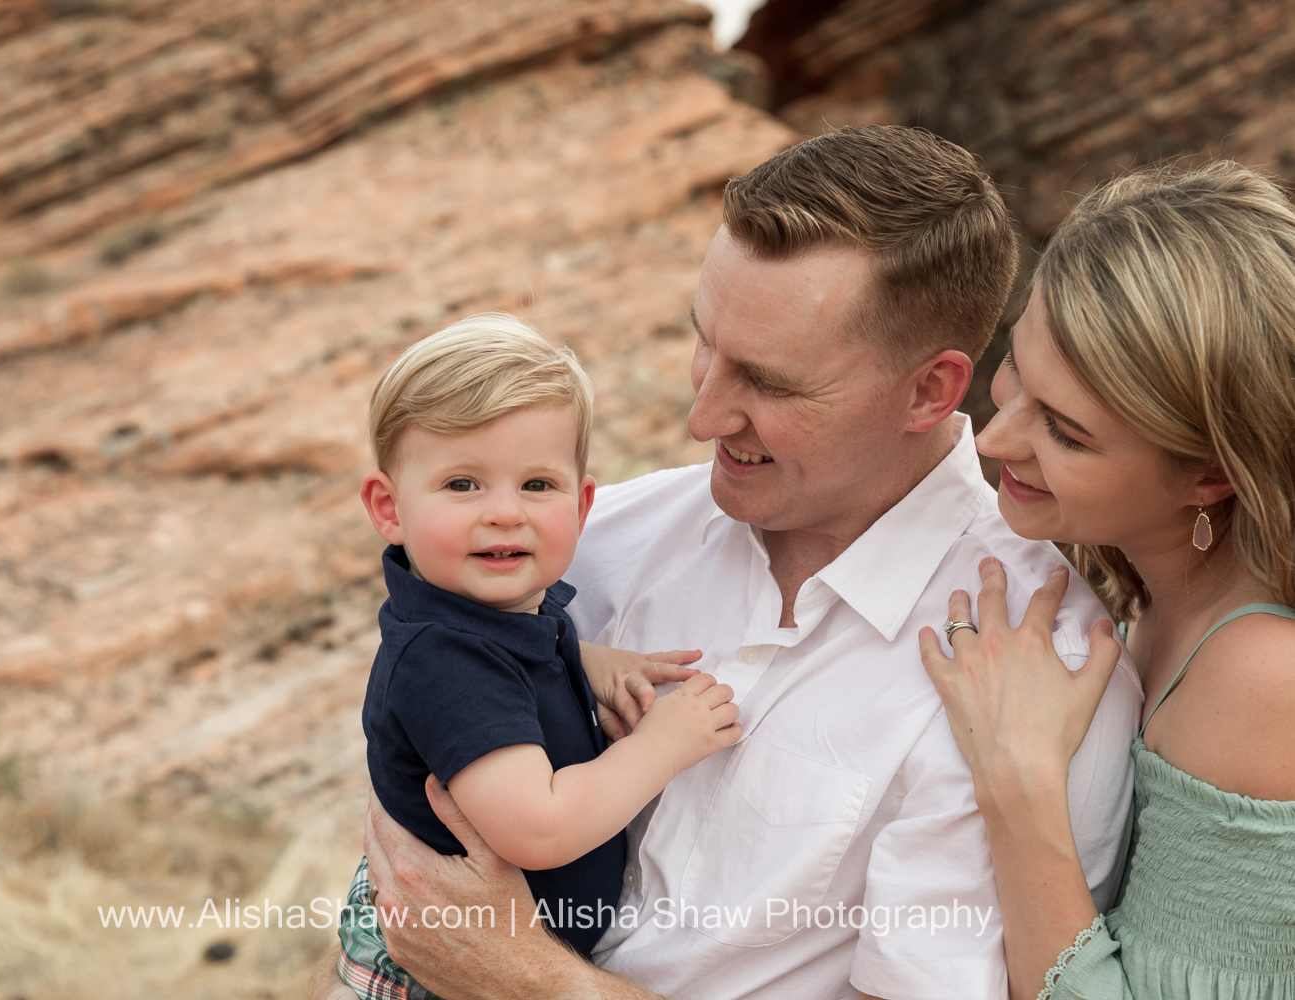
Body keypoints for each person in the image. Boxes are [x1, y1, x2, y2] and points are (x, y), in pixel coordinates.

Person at [312, 125, 1143, 1000]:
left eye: (770, 382)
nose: (702, 417)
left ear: (930, 390)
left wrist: (531, 981)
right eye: (704, 342)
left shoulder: (1038, 683)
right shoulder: (595, 542)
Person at [918, 161, 1295, 1000]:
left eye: (1065, 432)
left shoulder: (1263, 680)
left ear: (1209, 477)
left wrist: (1016, 776)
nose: (994, 437)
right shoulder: (1161, 599)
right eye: (1015, 370)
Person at [339, 313, 742, 998]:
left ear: (583, 505)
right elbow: (542, 827)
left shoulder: (501, 611)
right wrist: (664, 746)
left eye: (537, 485)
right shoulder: (444, 658)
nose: (504, 512)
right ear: (389, 508)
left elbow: (520, 657)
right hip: (431, 979)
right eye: (463, 484)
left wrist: (587, 661)